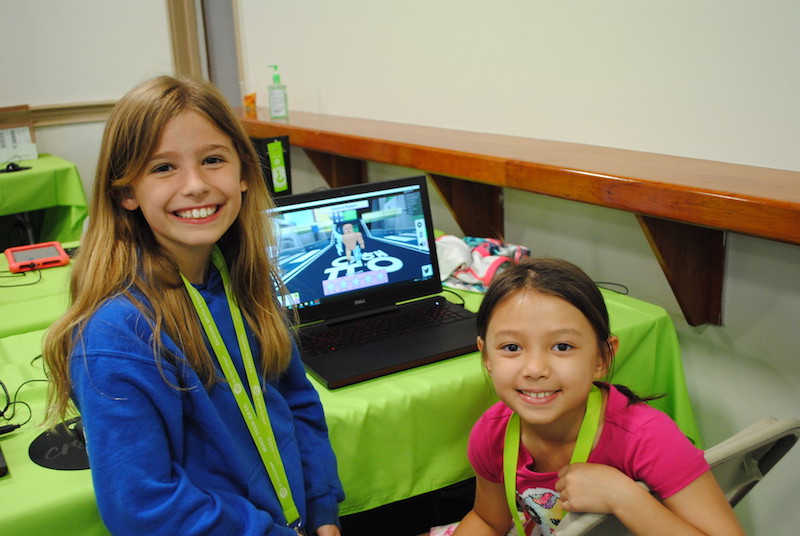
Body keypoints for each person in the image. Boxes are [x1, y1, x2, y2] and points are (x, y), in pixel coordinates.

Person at [42, 75, 344, 536]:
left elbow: (296, 402)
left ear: (244, 173)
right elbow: (144, 504)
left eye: (213, 160)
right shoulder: (115, 335)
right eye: (163, 168)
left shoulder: (245, 279)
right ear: (125, 192)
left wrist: (323, 514)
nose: (196, 185)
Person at [432, 258, 744, 536]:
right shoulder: (492, 433)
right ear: (486, 357)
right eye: (512, 347)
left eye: (562, 347)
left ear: (602, 358)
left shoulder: (647, 437)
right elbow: (488, 521)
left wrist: (624, 498)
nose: (535, 369)